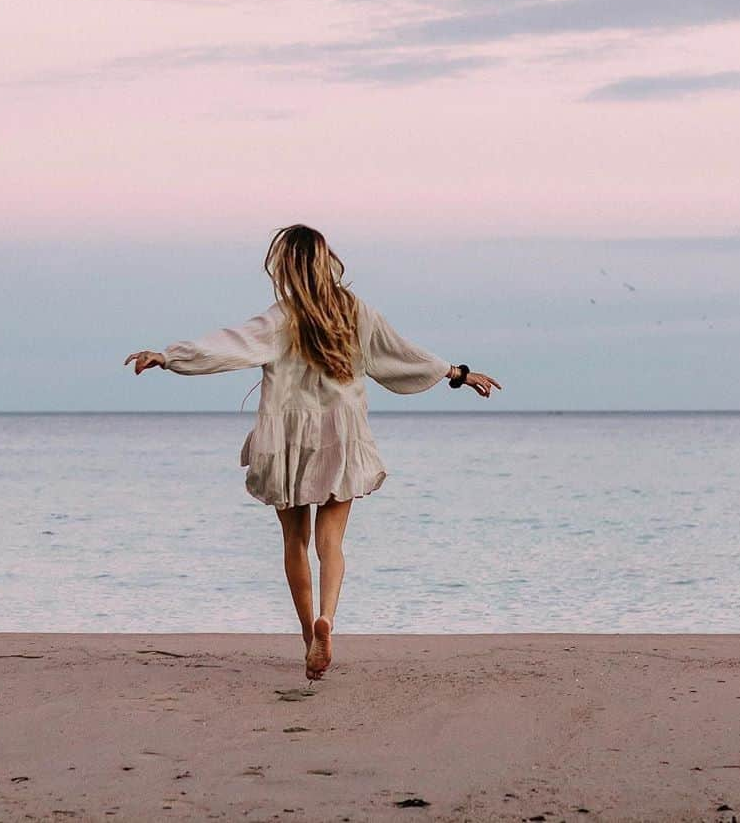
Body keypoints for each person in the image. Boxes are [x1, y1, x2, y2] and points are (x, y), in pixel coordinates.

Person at [124, 223, 501, 681]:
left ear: (286, 267)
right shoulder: (355, 311)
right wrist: (456, 373)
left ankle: (309, 637)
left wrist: (169, 356)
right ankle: (329, 618)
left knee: (294, 541)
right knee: (332, 542)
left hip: (289, 437)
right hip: (341, 433)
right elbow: (400, 355)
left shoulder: (281, 318)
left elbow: (229, 344)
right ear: (327, 261)